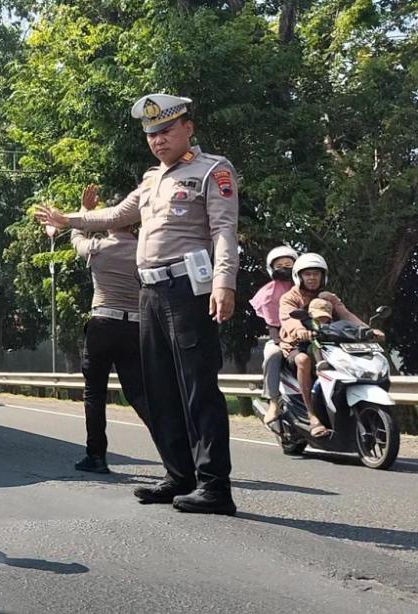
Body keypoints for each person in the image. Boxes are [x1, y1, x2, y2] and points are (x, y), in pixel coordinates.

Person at [34, 93, 239, 515]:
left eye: (165, 131)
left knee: (198, 389)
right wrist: (68, 219)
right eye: (151, 134)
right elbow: (113, 216)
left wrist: (224, 283)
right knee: (159, 389)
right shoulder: (150, 180)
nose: (158, 141)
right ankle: (179, 477)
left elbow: (223, 231)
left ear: (188, 128)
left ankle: (215, 486)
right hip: (149, 292)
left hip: (189, 290)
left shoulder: (212, 171)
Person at [71, 184, 151, 474]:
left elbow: (76, 237)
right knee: (139, 394)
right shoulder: (145, 250)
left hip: (103, 323)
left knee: (94, 393)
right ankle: (174, 454)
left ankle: (96, 456)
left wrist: (85, 213)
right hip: (135, 326)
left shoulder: (98, 248)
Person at [278, 253, 383, 437]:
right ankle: (312, 416)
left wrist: (368, 330)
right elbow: (288, 320)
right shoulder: (290, 298)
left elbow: (346, 315)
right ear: (299, 276)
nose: (312, 278)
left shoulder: (328, 297)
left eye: (316, 274)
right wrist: (300, 331)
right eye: (307, 274)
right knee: (303, 360)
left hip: (326, 343)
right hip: (296, 345)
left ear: (323, 276)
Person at [249, 246, 298, 430]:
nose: (285, 268)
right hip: (280, 337)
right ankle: (273, 403)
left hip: (307, 336)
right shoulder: (268, 294)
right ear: (272, 268)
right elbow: (273, 326)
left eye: (288, 264)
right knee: (273, 355)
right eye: (280, 265)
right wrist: (281, 343)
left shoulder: (305, 285)